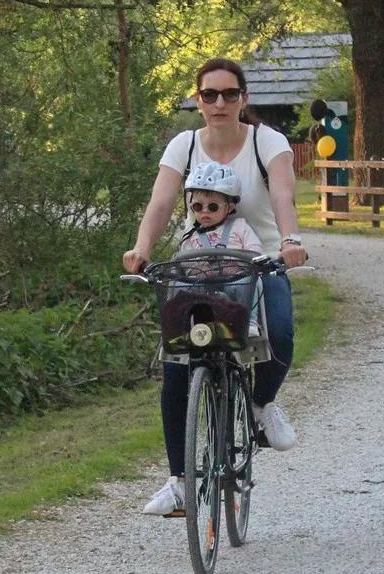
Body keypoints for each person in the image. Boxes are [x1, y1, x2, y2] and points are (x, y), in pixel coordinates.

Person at [125, 58, 309, 517]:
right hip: (200, 270)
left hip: (260, 262)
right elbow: (161, 201)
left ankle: (262, 405)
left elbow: (283, 193)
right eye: (210, 95)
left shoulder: (267, 141)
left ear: (244, 99)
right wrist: (141, 249)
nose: (220, 103)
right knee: (177, 359)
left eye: (230, 94)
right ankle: (180, 483)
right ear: (198, 100)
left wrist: (290, 241)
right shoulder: (184, 146)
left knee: (280, 331)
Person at [177, 161, 265, 335]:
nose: (204, 212)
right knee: (179, 285)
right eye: (197, 206)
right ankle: (181, 325)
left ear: (229, 208)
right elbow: (183, 263)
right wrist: (194, 270)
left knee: (250, 282)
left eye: (213, 206)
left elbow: (255, 252)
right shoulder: (190, 235)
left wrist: (242, 263)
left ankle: (249, 322)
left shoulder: (240, 227)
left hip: (235, 280)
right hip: (201, 283)